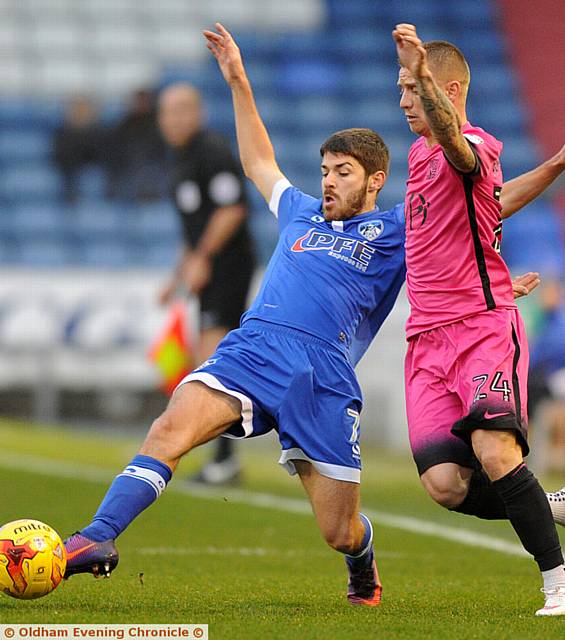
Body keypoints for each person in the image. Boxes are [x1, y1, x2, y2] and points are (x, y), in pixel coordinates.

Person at [62, 24, 548, 608]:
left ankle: (363, 561)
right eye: (324, 171)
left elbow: (488, 200)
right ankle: (97, 538)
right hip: (255, 349)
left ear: (373, 180)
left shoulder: (394, 228)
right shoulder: (299, 213)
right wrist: (239, 81)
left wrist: (498, 257)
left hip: (322, 378)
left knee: (338, 531)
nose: (327, 183)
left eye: (342, 172)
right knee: (170, 429)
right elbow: (259, 161)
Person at [393, 23, 565, 616]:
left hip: (481, 327)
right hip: (426, 339)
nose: (403, 99)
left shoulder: (472, 142)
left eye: (413, 88)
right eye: (401, 88)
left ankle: (558, 582)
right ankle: (549, 504)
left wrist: (485, 283)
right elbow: (489, 203)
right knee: (445, 485)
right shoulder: (417, 156)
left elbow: (458, 148)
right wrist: (557, 165)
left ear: (450, 88)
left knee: (494, 448)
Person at [157, 82, 256, 485]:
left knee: (213, 359)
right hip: (210, 268)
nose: (174, 119)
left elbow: (232, 210)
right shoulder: (181, 160)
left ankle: (224, 457)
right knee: (207, 359)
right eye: (168, 112)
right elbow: (195, 228)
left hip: (228, 267)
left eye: (182, 110)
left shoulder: (211, 152)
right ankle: (221, 454)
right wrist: (176, 276)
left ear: (197, 113)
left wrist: (201, 260)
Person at [53, 96, 106, 204]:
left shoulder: (100, 132)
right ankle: (71, 194)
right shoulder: (63, 133)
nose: (81, 112)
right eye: (78, 109)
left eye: (84, 109)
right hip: (71, 163)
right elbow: (59, 154)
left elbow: (103, 151)